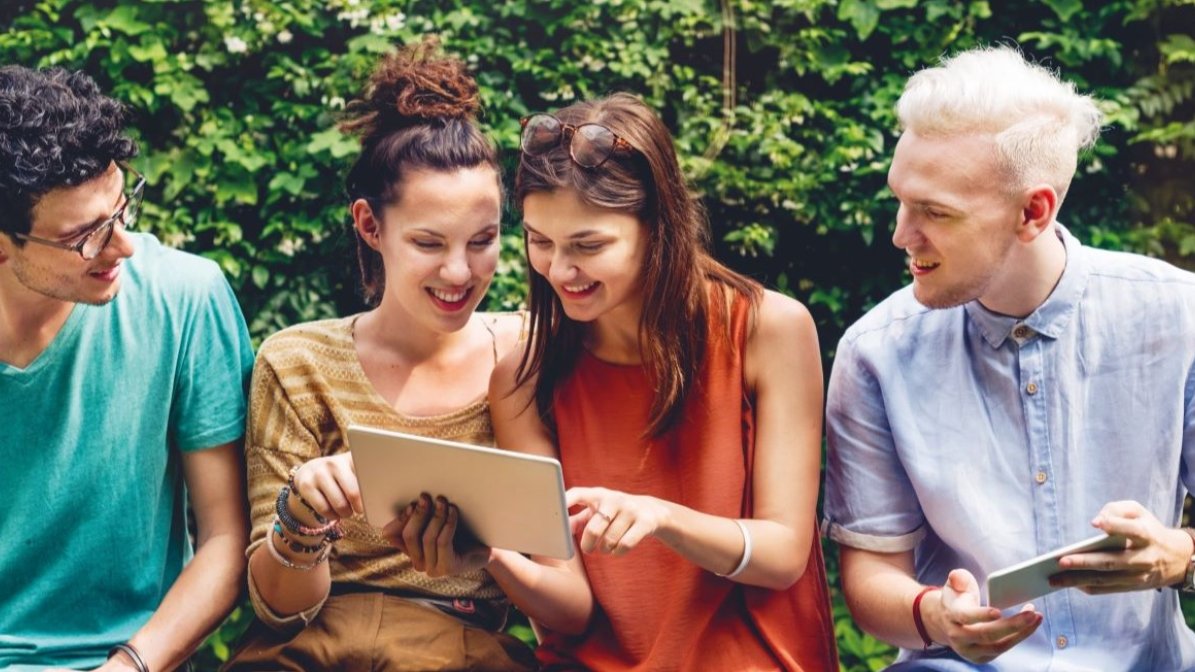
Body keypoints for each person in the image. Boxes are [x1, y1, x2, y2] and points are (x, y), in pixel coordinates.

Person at [223, 39, 591, 671]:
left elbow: (569, 605)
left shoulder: (527, 356)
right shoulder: (298, 363)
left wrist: (489, 553)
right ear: (370, 226)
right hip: (316, 643)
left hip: (462, 645)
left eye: (482, 240)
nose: (459, 272)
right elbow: (279, 609)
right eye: (428, 243)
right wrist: (301, 517)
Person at [822, 45, 1195, 670]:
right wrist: (932, 615)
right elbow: (870, 578)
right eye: (901, 200)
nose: (900, 234)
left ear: (1032, 211)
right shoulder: (873, 353)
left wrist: (1180, 557)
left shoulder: (1179, 314)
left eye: (934, 212)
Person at [488, 93, 839, 671]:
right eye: (539, 241)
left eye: (588, 245)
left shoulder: (768, 328)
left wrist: (661, 517)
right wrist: (489, 553)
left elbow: (782, 555)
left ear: (659, 226)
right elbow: (571, 611)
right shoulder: (523, 379)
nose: (559, 269)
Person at [0, 66, 253, 671]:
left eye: (123, 207)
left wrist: (130, 666)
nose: (124, 245)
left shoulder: (187, 297)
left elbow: (227, 539)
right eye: (86, 235)